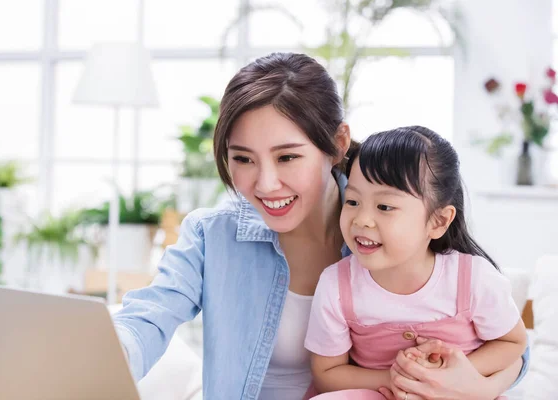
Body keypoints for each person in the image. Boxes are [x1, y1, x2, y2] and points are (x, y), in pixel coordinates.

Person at [112, 53, 529, 400]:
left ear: (337, 145)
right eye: (243, 159)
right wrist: (106, 352)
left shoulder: (393, 228)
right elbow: (148, 317)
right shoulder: (212, 235)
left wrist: (466, 385)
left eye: (287, 157)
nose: (265, 183)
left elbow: (506, 347)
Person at [304, 126, 528, 400]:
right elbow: (327, 373)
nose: (361, 220)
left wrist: (450, 376)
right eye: (352, 201)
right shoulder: (336, 285)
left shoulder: (473, 278)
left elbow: (514, 342)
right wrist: (402, 378)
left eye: (384, 207)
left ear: (438, 221)